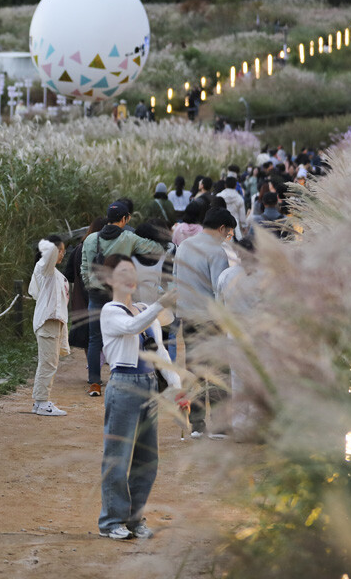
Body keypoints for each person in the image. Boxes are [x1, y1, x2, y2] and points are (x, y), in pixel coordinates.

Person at [96, 254, 187, 540]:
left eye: (132, 271)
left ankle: (134, 520)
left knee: (148, 459)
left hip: (148, 386)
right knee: (118, 457)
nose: (129, 277)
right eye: (122, 272)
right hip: (123, 385)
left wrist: (176, 385)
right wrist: (162, 304)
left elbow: (159, 351)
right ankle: (112, 522)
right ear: (109, 279)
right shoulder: (110, 311)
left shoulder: (145, 308)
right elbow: (132, 328)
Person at [79, 203, 167, 397]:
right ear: (125, 219)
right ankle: (117, 377)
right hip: (117, 295)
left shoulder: (91, 239)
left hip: (95, 293)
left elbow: (84, 266)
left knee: (94, 339)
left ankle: (94, 383)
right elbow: (155, 249)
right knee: (125, 335)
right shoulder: (128, 237)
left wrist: (90, 284)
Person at [173, 208, 236, 437]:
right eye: (229, 233)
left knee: (195, 370)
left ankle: (197, 425)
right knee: (218, 370)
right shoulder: (217, 251)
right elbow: (219, 291)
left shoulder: (184, 246)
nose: (228, 237)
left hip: (187, 317)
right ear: (222, 229)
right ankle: (220, 424)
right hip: (210, 319)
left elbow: (176, 280)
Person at [29, 236, 71, 416]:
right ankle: (41, 402)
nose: (62, 254)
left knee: (51, 363)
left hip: (56, 322)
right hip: (47, 322)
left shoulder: (55, 273)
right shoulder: (43, 268)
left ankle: (42, 401)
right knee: (47, 363)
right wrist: (53, 246)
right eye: (61, 251)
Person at [64, 217, 106, 350]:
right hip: (104, 304)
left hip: (82, 304)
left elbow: (68, 275)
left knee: (90, 344)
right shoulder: (109, 250)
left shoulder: (78, 249)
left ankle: (92, 368)